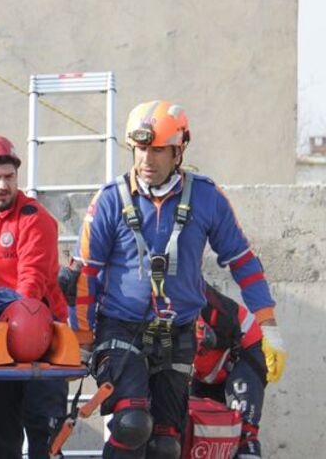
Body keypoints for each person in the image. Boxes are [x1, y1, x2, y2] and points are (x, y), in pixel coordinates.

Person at [69, 100, 286, 458]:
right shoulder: (110, 200)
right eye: (140, 149)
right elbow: (85, 274)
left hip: (179, 332)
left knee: (167, 443)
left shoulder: (206, 197)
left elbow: (243, 262)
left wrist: (269, 326)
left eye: (157, 150)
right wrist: (80, 338)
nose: (146, 160)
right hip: (121, 328)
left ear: (178, 151)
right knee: (132, 423)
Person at [0, 135, 68, 459]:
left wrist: (18, 333)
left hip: (42, 335)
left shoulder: (34, 218)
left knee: (45, 432)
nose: (2, 185)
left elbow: (31, 283)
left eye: (9, 177)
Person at [191, 283, 268, 459]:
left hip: (244, 348)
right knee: (195, 432)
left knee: (243, 432)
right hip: (206, 369)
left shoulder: (181, 293)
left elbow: (203, 337)